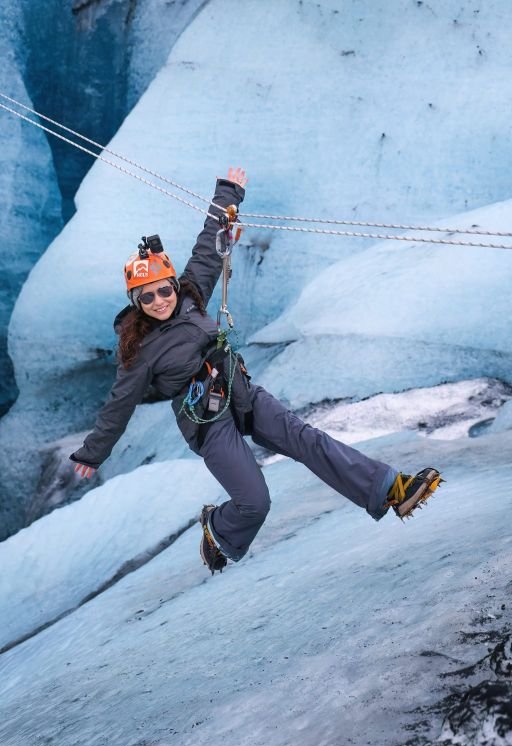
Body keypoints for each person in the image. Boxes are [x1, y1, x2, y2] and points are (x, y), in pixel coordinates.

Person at [71, 167, 443, 574]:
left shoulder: (191, 297)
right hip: (206, 420)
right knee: (255, 501)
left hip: (240, 391)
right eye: (148, 296)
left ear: (174, 285)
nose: (160, 300)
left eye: (165, 289)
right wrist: (94, 452)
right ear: (135, 300)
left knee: (308, 441)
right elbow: (119, 404)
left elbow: (207, 250)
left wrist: (229, 193)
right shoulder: (140, 349)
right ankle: (218, 527)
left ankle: (391, 489)